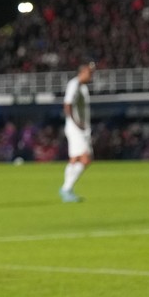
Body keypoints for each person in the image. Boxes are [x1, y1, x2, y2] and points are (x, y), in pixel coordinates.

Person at [59, 62, 94, 202]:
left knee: (74, 159)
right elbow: (67, 105)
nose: (91, 76)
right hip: (76, 129)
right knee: (86, 159)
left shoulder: (82, 87)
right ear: (82, 72)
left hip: (80, 128)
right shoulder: (74, 84)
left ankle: (67, 190)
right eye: (89, 73)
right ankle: (66, 189)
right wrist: (76, 123)